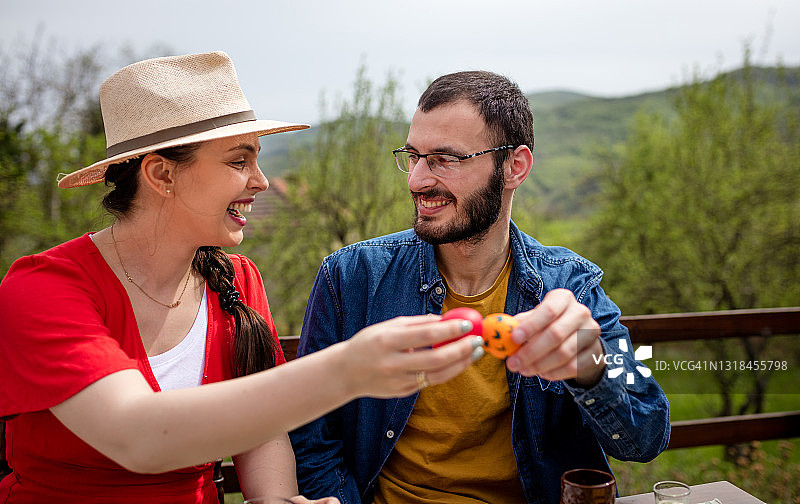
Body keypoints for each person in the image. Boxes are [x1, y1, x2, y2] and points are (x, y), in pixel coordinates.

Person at [0, 52, 485, 504]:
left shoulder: (236, 281)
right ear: (161, 175)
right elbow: (139, 438)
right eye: (238, 161)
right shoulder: (42, 289)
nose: (262, 181)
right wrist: (347, 370)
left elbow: (265, 431)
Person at [289, 71, 671, 504]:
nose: (416, 180)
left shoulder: (572, 287)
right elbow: (309, 435)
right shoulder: (352, 276)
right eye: (413, 156)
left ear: (514, 167)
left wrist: (588, 362)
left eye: (445, 159)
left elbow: (646, 434)